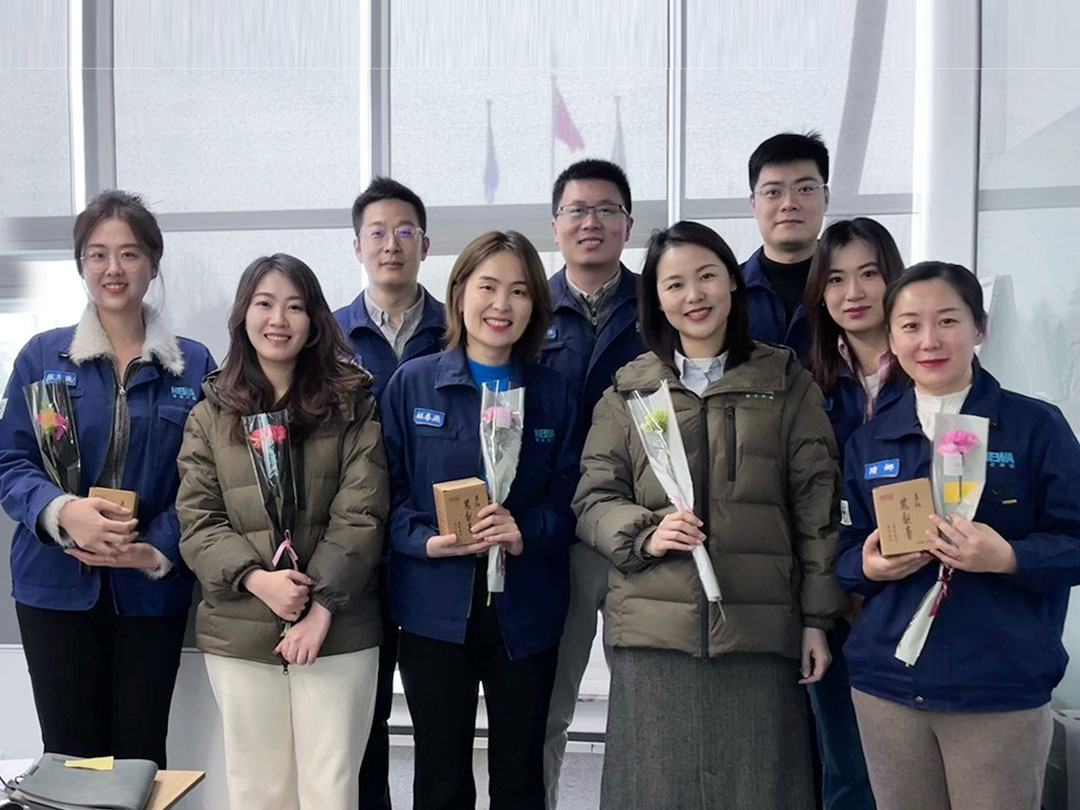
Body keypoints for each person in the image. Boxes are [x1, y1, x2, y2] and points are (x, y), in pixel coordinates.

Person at [574, 220, 844, 809]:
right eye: (674, 284)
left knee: (760, 790)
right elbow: (593, 500)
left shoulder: (786, 384)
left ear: (732, 282)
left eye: (706, 277)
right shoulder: (629, 393)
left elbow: (817, 512)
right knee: (654, 792)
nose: (693, 295)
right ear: (655, 300)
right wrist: (647, 535)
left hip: (758, 633)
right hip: (652, 634)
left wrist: (816, 620)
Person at [838, 261, 1080, 810]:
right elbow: (844, 552)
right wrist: (868, 566)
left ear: (979, 328)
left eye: (947, 320)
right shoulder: (871, 441)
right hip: (888, 689)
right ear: (891, 338)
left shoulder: (1035, 427)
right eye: (910, 325)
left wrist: (1010, 557)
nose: (929, 341)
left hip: (997, 690)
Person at [0, 190, 216, 768]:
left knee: (140, 758)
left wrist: (156, 548)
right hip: (54, 587)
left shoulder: (193, 365)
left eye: (129, 253)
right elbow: (10, 462)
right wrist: (63, 512)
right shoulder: (42, 358)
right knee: (70, 760)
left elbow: (207, 484)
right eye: (97, 254)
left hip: (148, 591)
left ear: (153, 264)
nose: (113, 268)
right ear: (81, 265)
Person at [177, 254, 387, 810]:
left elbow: (362, 513)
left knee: (331, 789)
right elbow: (198, 519)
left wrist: (321, 606)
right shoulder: (209, 414)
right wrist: (256, 579)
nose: (278, 319)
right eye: (265, 304)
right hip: (240, 627)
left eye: (295, 307)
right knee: (257, 790)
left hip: (339, 628)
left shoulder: (352, 404)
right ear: (243, 315)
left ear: (314, 320)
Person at [381, 231, 578, 810]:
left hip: (527, 609)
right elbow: (383, 494)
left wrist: (526, 531)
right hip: (433, 610)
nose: (501, 304)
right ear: (459, 294)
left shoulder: (552, 392)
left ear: (535, 305)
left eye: (519, 291)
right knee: (440, 779)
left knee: (520, 779)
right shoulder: (413, 383)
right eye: (487, 287)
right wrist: (424, 541)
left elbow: (574, 495)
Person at [334, 176, 445, 809]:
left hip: (433, 547)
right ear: (357, 247)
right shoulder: (327, 336)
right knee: (362, 719)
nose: (391, 245)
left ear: (425, 245)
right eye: (376, 232)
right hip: (358, 557)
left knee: (437, 718)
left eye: (405, 232)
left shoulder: (460, 326)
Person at [539, 159, 645, 809]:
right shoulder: (528, 308)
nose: (591, 222)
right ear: (555, 226)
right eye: (576, 210)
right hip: (559, 535)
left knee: (644, 709)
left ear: (628, 225)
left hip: (643, 529)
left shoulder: (660, 304)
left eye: (607, 209)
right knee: (550, 704)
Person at [802, 217, 909, 809]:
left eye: (869, 273)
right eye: (837, 279)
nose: (854, 292)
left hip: (915, 593)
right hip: (839, 594)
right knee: (846, 771)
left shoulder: (928, 372)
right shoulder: (810, 382)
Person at [743, 131, 831, 358]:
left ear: (826, 197)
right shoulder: (728, 290)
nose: (789, 204)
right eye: (773, 192)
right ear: (754, 204)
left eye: (805, 189)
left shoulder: (856, 291)